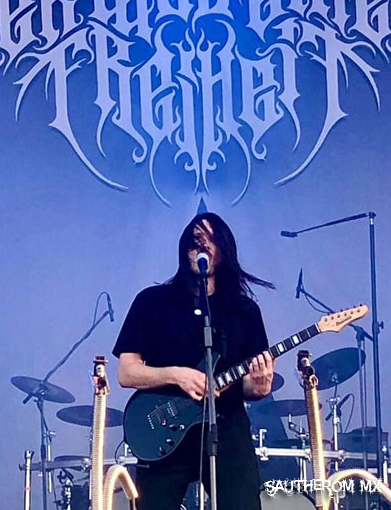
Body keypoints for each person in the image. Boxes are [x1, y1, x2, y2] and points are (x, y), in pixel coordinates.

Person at [113, 212, 275, 510]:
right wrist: (176, 375)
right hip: (163, 432)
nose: (202, 245)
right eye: (195, 239)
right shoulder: (152, 302)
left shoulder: (244, 311)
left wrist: (260, 386)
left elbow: (250, 387)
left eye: (211, 239)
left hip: (226, 432)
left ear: (225, 250)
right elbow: (127, 372)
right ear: (184, 249)